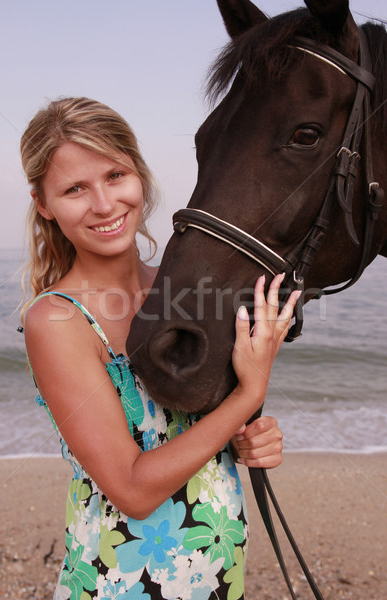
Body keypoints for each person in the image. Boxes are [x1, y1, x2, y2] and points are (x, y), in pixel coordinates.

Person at [20, 97, 301, 600]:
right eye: (74, 189)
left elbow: (198, 431)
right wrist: (248, 391)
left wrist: (248, 437)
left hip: (218, 569)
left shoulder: (183, 294)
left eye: (115, 176)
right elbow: (132, 489)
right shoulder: (56, 320)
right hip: (123, 579)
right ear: (44, 203)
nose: (104, 205)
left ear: (139, 177)